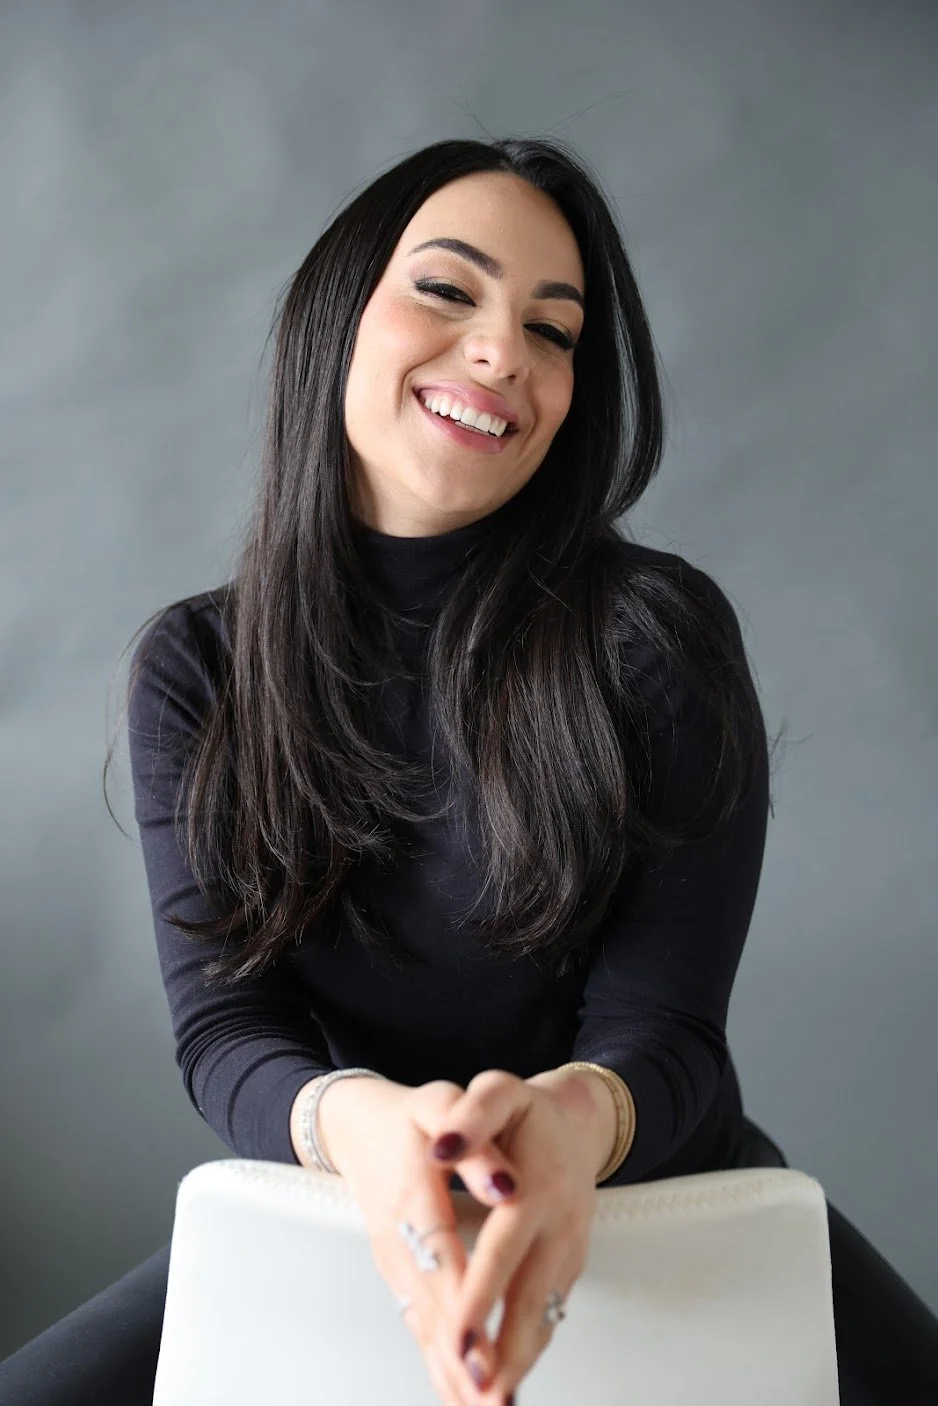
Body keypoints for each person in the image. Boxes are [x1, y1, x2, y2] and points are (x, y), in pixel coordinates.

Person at [2, 136, 936, 1406]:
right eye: (448, 290)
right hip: (352, 1201)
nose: (502, 353)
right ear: (335, 316)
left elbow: (665, 1035)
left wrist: (556, 1126)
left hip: (673, 1206)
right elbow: (228, 1029)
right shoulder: (200, 663)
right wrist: (372, 1132)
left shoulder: (652, 633)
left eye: (552, 332)